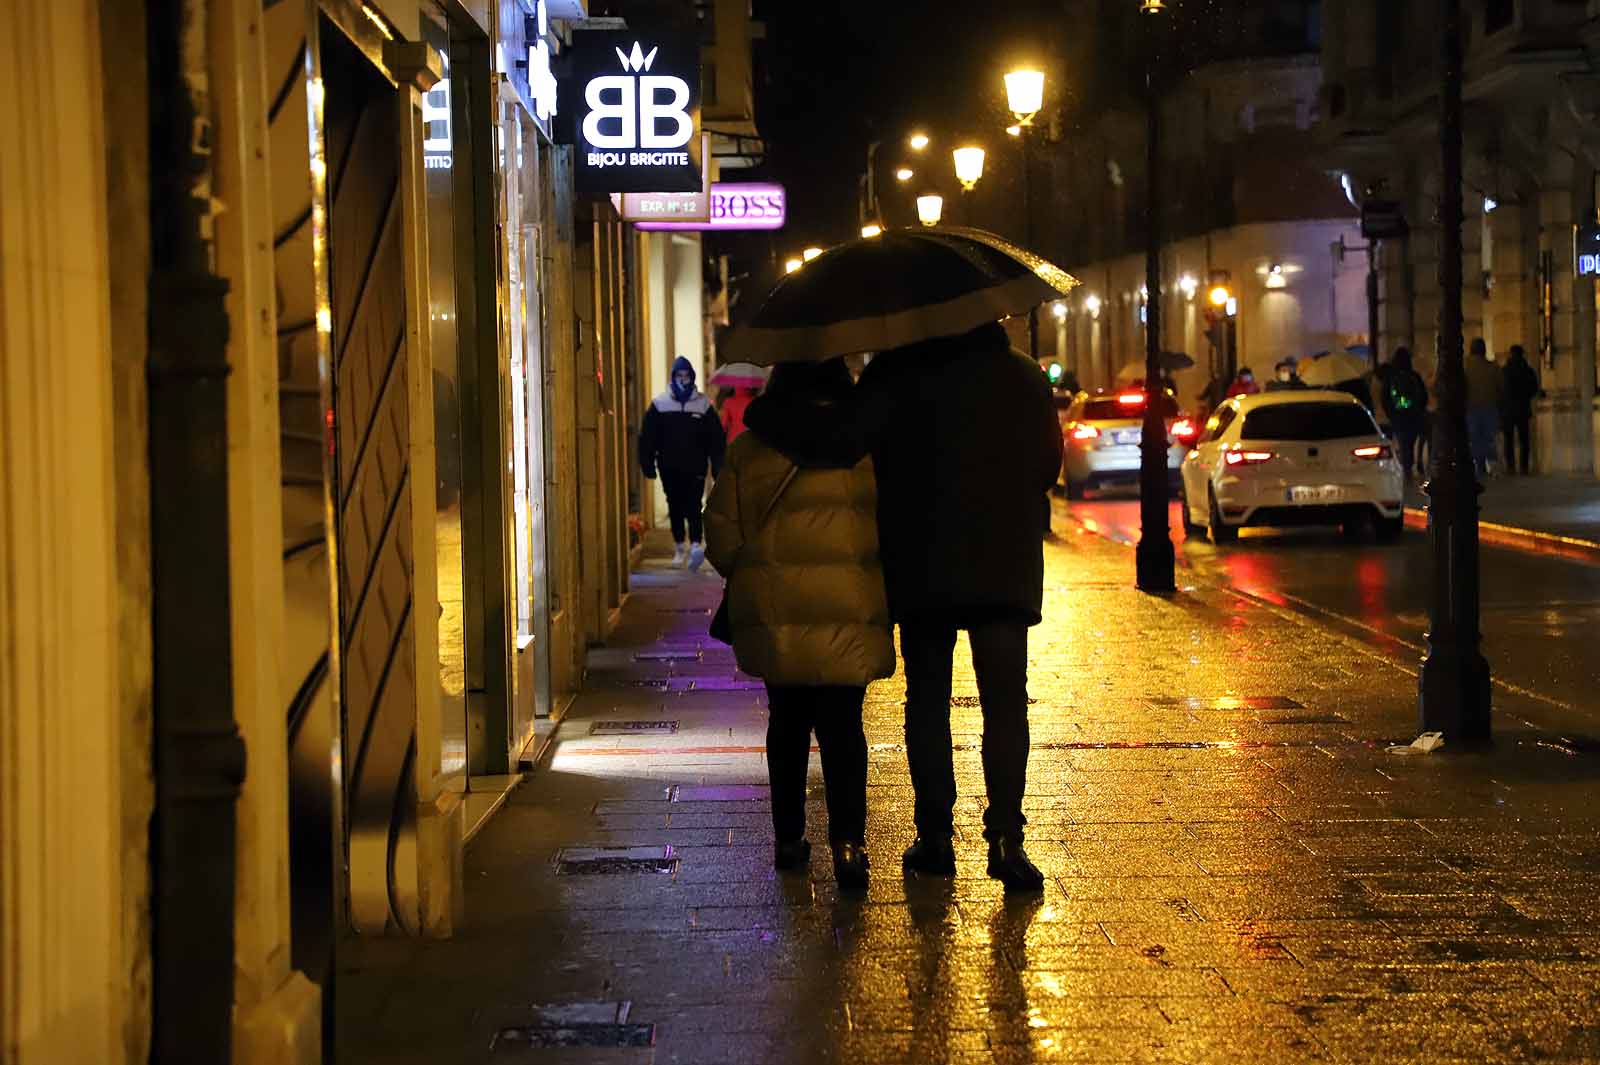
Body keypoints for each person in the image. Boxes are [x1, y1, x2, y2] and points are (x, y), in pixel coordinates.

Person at [755, 321, 1061, 892]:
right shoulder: (1023, 377)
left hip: (923, 566)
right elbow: (1048, 468)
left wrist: (767, 418)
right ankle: (1006, 840)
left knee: (927, 702)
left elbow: (845, 444)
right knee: (1004, 704)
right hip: (1004, 564)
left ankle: (936, 837)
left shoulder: (894, 374)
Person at [704, 359, 893, 891]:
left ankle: (789, 840)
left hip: (777, 613)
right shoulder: (866, 449)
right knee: (843, 730)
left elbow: (720, 540)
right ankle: (849, 846)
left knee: (786, 724)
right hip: (848, 611)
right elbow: (892, 529)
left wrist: (755, 570)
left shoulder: (748, 450)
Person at [639, 356, 726, 570]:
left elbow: (716, 439)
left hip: (696, 465)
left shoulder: (703, 405)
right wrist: (647, 464)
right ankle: (679, 545)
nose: (683, 379)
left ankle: (696, 543)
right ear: (673, 376)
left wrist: (717, 467)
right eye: (680, 375)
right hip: (668, 466)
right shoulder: (660, 405)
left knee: (694, 504)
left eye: (687, 376)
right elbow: (648, 437)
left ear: (692, 377)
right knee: (675, 505)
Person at [1381, 346, 1429, 479]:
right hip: (1413, 416)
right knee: (1410, 442)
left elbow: (1384, 398)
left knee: (1403, 443)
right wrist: (1419, 409)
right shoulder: (1414, 376)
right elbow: (1424, 396)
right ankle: (1409, 465)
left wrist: (1391, 414)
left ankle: (1406, 469)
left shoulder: (1390, 378)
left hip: (1398, 417)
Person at [1464, 338, 1503, 479]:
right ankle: (1492, 468)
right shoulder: (1493, 367)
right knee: (1489, 439)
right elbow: (1501, 388)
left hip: (1471, 408)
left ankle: (1477, 468)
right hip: (1490, 408)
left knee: (1474, 439)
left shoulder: (1465, 367)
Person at [1501, 344, 1540, 475]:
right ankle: (1524, 467)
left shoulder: (1505, 370)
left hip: (1508, 410)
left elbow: (1501, 390)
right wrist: (1525, 396)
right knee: (1524, 439)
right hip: (1523, 409)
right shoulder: (1528, 370)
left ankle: (1511, 467)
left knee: (1509, 440)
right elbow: (1534, 389)